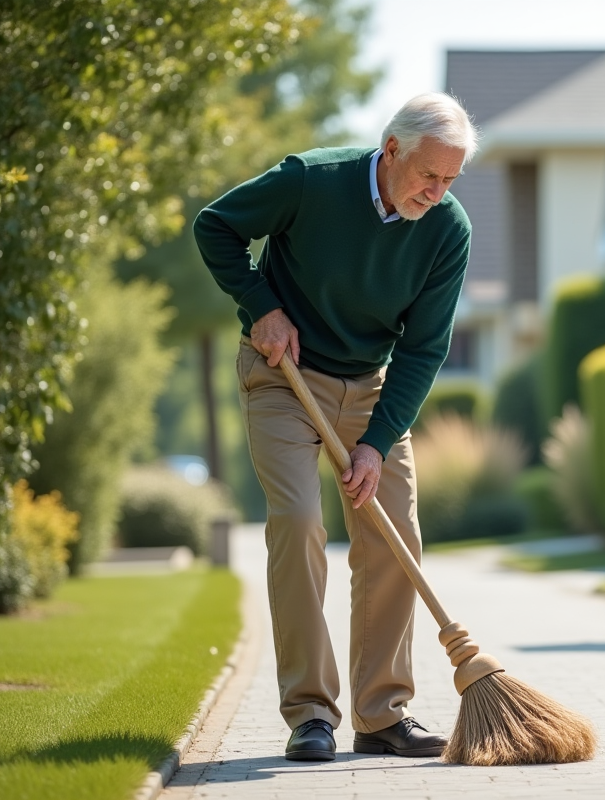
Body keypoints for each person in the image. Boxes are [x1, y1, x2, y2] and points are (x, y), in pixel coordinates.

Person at [194, 92, 477, 762]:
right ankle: (310, 714)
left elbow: (423, 349)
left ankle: (381, 715)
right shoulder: (310, 181)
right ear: (392, 151)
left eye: (450, 180)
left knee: (395, 531)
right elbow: (216, 226)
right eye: (428, 175)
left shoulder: (447, 230)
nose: (437, 193)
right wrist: (260, 305)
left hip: (371, 386)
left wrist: (375, 445)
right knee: (298, 522)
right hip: (283, 374)